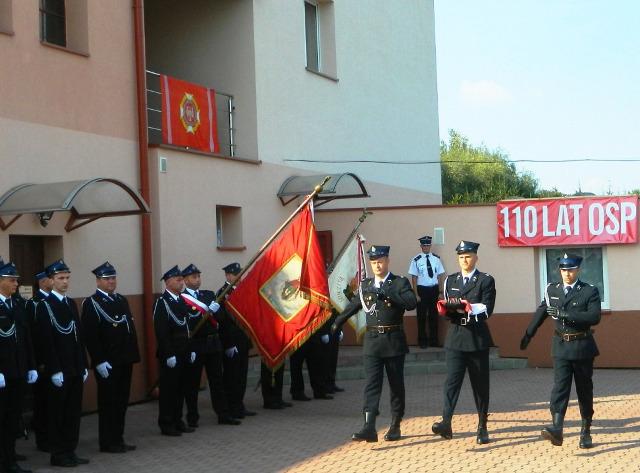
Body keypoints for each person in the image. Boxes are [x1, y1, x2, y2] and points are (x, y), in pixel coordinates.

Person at [332, 245, 417, 442]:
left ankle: (395, 424)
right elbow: (354, 305)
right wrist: (337, 322)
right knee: (372, 384)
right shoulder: (366, 285)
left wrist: (389, 293)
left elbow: (411, 303)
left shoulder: (399, 282)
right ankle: (369, 427)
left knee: (396, 385)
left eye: (380, 262)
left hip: (393, 341)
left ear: (387, 261)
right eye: (374, 262)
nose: (377, 265)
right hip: (372, 342)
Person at [520, 253, 601, 449]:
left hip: (581, 347)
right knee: (560, 388)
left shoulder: (589, 291)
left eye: (570, 270)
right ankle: (557, 428)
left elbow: (594, 317)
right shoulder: (552, 289)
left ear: (577, 270)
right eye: (563, 270)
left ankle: (586, 431)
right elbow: (542, 311)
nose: (567, 273)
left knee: (584, 389)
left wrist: (565, 314)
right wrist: (529, 334)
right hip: (561, 346)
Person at [432, 240, 496, 445]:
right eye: (461, 257)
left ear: (476, 257)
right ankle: (446, 422)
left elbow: (487, 309)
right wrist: (449, 309)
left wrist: (467, 307)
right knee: (452, 382)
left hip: (476, 337)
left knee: (480, 385)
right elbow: (446, 307)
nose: (464, 260)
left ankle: (482, 426)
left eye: (468, 256)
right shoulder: (450, 280)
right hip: (456, 336)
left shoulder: (485, 280)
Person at [81, 262, 140, 453]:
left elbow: (128, 330)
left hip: (124, 359)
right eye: (107, 279)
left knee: (121, 402)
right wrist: (98, 360)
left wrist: (132, 355)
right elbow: (91, 335)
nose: (111, 282)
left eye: (113, 278)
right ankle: (107, 442)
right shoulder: (92, 303)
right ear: (98, 281)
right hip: (108, 362)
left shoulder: (121, 300)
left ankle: (118, 438)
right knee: (108, 403)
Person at [35, 260, 90, 467]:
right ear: (51, 281)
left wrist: (83, 364)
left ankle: (70, 450)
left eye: (67, 278)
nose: (65, 282)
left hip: (75, 367)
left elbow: (79, 337)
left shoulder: (70, 303)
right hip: (59, 369)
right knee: (58, 413)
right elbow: (46, 341)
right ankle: (58, 454)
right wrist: (55, 369)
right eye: (60, 278)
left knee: (73, 413)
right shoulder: (45, 306)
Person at [181, 264, 240, 427]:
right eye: (193, 277)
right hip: (196, 344)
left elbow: (222, 319)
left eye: (198, 276)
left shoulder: (208, 295)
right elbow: (187, 324)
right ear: (186, 280)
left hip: (213, 343)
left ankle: (223, 414)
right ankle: (192, 417)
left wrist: (215, 311)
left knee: (217, 381)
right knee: (192, 383)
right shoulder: (182, 299)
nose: (197, 279)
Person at [0, 262, 37, 473]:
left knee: (13, 417)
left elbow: (26, 337)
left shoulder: (18, 304)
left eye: (16, 280)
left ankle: (10, 458)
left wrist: (31, 365)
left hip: (18, 370)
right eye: (12, 280)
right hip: (2, 373)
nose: (16, 283)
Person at [153, 265, 194, 436]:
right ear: (168, 282)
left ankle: (178, 420)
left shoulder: (181, 300)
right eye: (178, 280)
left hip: (183, 350)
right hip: (171, 353)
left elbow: (187, 328)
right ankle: (166, 422)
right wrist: (169, 353)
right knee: (169, 390)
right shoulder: (162, 302)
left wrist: (191, 349)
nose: (181, 283)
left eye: (181, 280)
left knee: (181, 388)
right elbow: (161, 331)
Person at [216, 263, 256, 418]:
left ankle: (239, 405)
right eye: (235, 274)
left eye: (240, 274)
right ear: (227, 276)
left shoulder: (242, 290)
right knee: (231, 376)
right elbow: (223, 322)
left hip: (243, 339)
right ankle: (231, 407)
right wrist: (229, 344)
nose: (239, 277)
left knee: (241, 375)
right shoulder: (223, 293)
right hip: (231, 341)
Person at [25, 270, 52, 453]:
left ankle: (51, 436)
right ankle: (43, 439)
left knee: (51, 402)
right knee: (42, 401)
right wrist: (38, 361)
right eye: (49, 278)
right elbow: (35, 335)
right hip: (42, 361)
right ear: (42, 282)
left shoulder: (54, 301)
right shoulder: (34, 303)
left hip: (53, 360)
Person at [408, 235, 445, 348]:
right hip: (422, 290)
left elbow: (440, 275)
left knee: (434, 316)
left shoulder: (436, 259)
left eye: (428, 245)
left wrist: (440, 292)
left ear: (430, 246)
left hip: (434, 290)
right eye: (424, 245)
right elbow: (414, 278)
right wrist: (416, 294)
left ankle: (434, 341)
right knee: (421, 316)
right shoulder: (416, 259)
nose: (426, 247)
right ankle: (422, 341)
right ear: (421, 246)